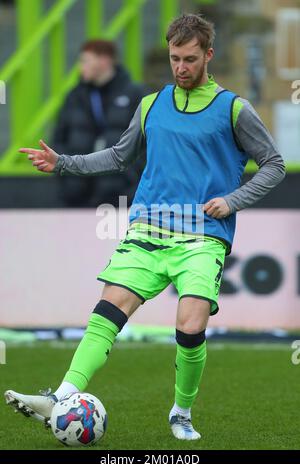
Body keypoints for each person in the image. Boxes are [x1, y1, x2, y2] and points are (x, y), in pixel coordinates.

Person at [5, 14, 285, 441]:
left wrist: (232, 200)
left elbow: (274, 164)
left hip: (202, 236)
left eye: (190, 59)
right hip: (147, 231)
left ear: (208, 55)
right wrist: (62, 162)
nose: (181, 67)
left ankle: (182, 412)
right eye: (175, 58)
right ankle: (61, 395)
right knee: (107, 312)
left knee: (191, 326)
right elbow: (118, 156)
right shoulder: (151, 105)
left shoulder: (234, 109)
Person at [52, 39, 146, 206]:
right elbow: (59, 139)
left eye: (86, 60)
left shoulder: (135, 95)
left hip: (121, 197)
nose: (81, 67)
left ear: (104, 60)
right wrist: (66, 181)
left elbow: (146, 144)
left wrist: (130, 181)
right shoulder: (74, 97)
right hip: (76, 196)